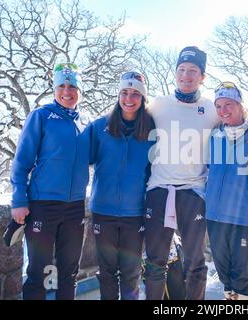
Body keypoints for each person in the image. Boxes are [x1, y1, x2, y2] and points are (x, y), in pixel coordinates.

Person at [144, 46, 219, 300]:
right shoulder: (158, 105)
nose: (186, 76)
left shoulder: (211, 109)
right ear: (176, 73)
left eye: (193, 71)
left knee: (195, 263)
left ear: (202, 77)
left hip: (193, 192)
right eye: (182, 70)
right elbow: (127, 116)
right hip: (159, 190)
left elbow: (237, 121)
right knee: (155, 262)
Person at [10, 63, 90, 300]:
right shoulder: (41, 116)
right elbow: (22, 161)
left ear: (79, 90)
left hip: (75, 207)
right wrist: (18, 199)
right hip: (43, 205)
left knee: (69, 273)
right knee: (39, 272)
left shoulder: (85, 122)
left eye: (72, 86)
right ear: (54, 89)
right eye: (61, 86)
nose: (67, 91)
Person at [88, 71, 155, 300]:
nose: (129, 98)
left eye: (135, 93)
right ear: (118, 95)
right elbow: (76, 160)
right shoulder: (99, 127)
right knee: (106, 273)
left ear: (143, 98)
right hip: (103, 212)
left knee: (130, 273)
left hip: (135, 213)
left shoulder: (152, 131)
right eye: (124, 92)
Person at [205, 82, 248, 300]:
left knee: (241, 273)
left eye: (228, 104)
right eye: (218, 106)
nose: (223, 110)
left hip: (242, 216)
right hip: (214, 214)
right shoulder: (214, 137)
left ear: (240, 105)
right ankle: (230, 299)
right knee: (223, 273)